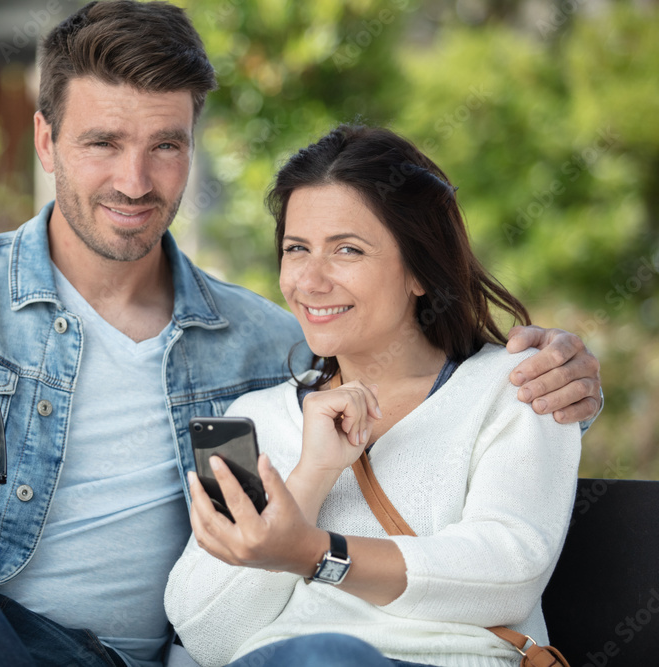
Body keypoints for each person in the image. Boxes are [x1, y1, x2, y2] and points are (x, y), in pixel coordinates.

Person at [0, 3, 601, 666]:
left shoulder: (266, 350)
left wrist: (565, 383)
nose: (134, 181)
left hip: (110, 660)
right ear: (47, 142)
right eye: (103, 143)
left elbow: (409, 381)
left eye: (164, 146)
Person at [163, 124, 585, 667]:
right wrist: (312, 475)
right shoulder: (254, 419)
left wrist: (315, 554)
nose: (311, 281)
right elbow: (206, 631)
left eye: (347, 250)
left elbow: (510, 572)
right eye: (297, 249)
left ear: (419, 270)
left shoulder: (518, 387)